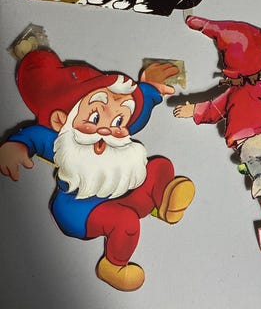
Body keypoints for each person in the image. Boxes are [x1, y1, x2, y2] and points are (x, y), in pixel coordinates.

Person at [0, 49, 194, 291]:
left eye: (118, 121)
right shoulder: (61, 141)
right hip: (80, 210)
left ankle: (163, 202)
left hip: (124, 195)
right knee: (125, 222)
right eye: (94, 118)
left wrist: (149, 88)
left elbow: (139, 112)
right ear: (61, 121)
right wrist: (17, 146)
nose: (107, 130)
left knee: (159, 166)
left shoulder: (116, 138)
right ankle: (113, 266)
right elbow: (33, 136)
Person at [174, 16, 261, 230]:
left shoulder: (232, 93)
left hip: (245, 148)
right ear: (260, 68)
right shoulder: (259, 88)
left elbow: (213, 109)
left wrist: (193, 110)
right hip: (260, 140)